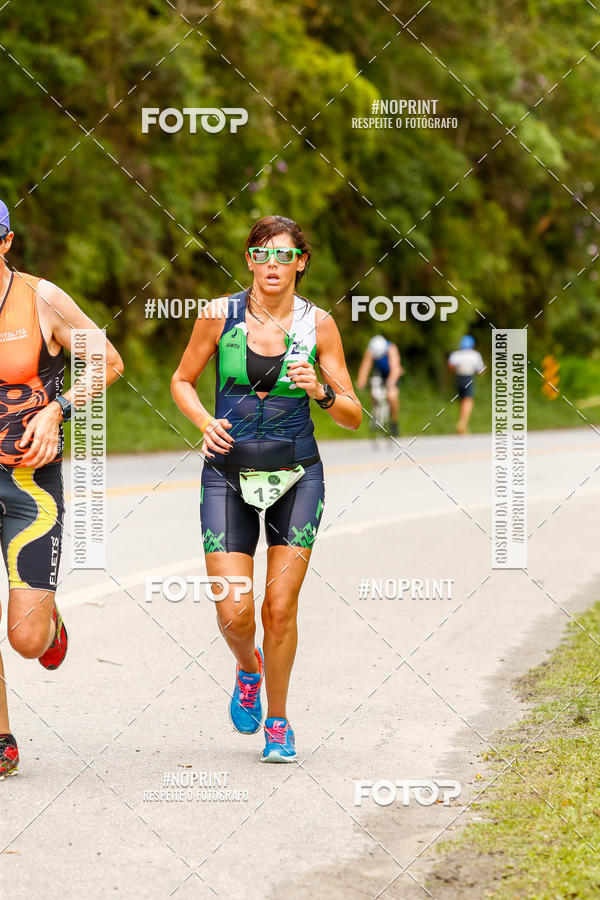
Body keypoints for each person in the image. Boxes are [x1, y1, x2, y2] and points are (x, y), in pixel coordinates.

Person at [171, 215, 361, 762]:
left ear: (301, 262)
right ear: (249, 260)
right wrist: (205, 421)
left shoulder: (318, 325)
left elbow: (352, 415)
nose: (272, 265)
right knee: (234, 610)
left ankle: (278, 722)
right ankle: (247, 669)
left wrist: (322, 391)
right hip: (226, 473)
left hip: (297, 475)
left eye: (284, 255)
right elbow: (181, 380)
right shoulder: (217, 315)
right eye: (262, 254)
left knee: (279, 606)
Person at [0, 200, 124, 777]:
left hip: (28, 485)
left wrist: (58, 408)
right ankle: (2, 737)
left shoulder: (40, 298)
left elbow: (109, 361)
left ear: (6, 241)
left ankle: (47, 621)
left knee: (25, 639)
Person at [356, 335, 404, 436]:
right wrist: (361, 380)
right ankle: (376, 414)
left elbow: (395, 368)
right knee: (374, 391)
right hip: (380, 374)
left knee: (392, 396)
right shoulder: (370, 350)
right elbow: (365, 367)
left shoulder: (391, 349)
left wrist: (391, 382)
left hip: (392, 374)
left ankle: (394, 422)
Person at [447, 335, 485, 434]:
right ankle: (463, 423)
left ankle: (462, 422)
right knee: (468, 400)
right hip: (468, 378)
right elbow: (480, 370)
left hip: (458, 378)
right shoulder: (475, 355)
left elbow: (450, 365)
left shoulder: (456, 354)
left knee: (462, 400)